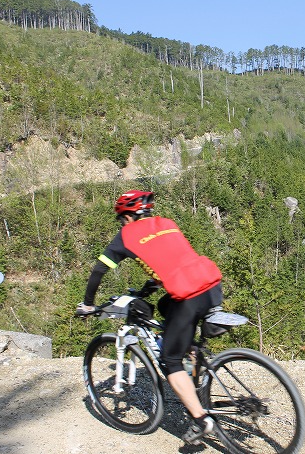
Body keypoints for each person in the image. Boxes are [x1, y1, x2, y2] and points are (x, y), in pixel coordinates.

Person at [76, 189, 223, 445]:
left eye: (122, 219)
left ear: (129, 217)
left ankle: (200, 420)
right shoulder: (167, 224)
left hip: (189, 295)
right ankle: (193, 360)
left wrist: (88, 305)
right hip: (211, 286)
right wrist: (153, 284)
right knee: (167, 306)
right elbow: (171, 258)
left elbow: (99, 270)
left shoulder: (125, 236)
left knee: (170, 361)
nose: (122, 224)